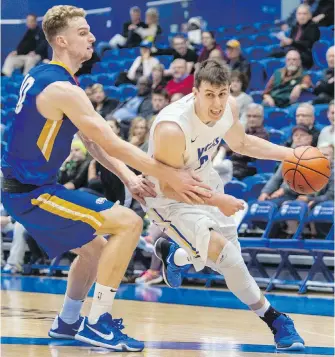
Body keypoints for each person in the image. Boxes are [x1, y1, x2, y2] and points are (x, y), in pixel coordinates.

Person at [1, 5, 211, 352]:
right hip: (32, 192)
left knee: (96, 248)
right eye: (83, 32)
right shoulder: (61, 89)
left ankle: (68, 321)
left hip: (32, 188)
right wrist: (171, 174)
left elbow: (94, 143)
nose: (93, 36)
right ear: (62, 40)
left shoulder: (48, 76)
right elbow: (112, 141)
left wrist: (130, 179)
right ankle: (96, 322)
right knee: (128, 223)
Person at [144, 59, 305, 351]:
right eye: (209, 95)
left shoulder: (228, 107)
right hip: (168, 199)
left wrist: (291, 154)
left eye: (222, 93)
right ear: (195, 92)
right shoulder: (172, 127)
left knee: (226, 263)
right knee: (227, 257)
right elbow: (171, 186)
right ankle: (276, 320)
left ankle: (174, 256)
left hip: (205, 181)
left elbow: (242, 144)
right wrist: (219, 200)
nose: (217, 103)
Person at [269, 4, 320, 69]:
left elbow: (308, 44)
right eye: (299, 14)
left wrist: (291, 42)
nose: (302, 16)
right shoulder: (295, 27)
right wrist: (284, 44)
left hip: (304, 55)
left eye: (304, 14)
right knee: (271, 55)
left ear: (310, 16)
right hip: (292, 51)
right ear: (296, 15)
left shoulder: (313, 27)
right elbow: (291, 42)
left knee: (281, 62)